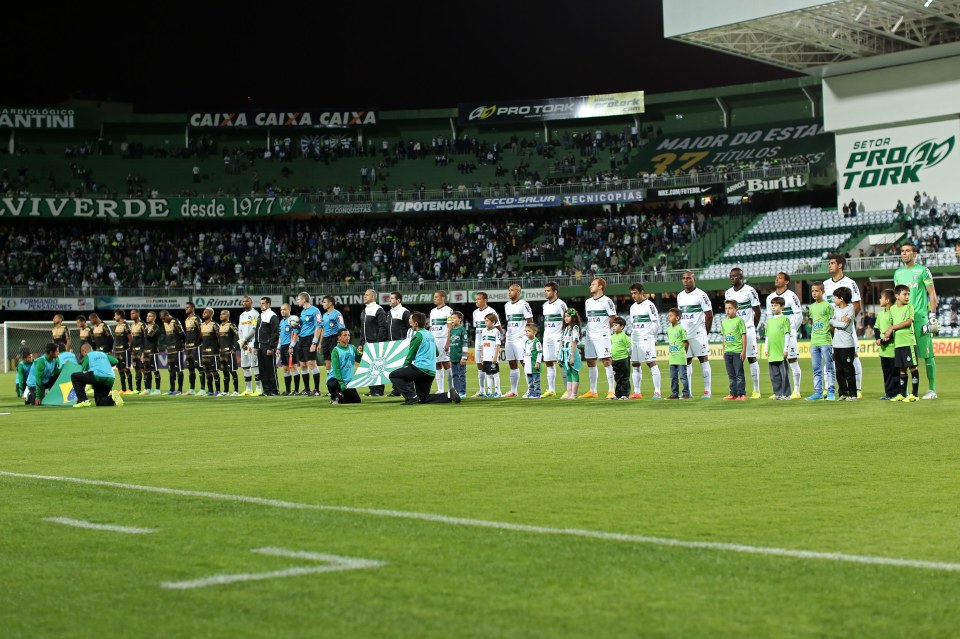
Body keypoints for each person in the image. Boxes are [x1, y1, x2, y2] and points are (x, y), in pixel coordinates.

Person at [893, 241, 938, 399]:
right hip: (904, 321)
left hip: (919, 319)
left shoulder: (923, 271)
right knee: (904, 357)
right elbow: (897, 298)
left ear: (915, 254)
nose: (903, 253)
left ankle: (932, 389)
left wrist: (932, 316)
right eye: (902, 251)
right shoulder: (897, 273)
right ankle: (904, 391)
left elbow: (932, 294)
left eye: (907, 251)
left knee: (927, 355)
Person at [388, 311, 460, 405]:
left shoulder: (418, 336)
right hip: (430, 371)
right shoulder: (429, 334)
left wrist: (405, 367)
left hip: (420, 369)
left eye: (411, 321)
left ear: (416, 323)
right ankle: (449, 395)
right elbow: (437, 353)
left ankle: (411, 396)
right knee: (423, 398)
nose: (410, 323)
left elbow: (410, 356)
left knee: (394, 375)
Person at [823, 255, 862, 398]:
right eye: (829, 263)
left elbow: (857, 306)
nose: (829, 265)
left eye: (832, 263)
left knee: (854, 357)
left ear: (840, 265)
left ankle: (857, 388)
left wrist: (846, 320)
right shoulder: (825, 284)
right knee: (830, 357)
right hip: (830, 328)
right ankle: (830, 388)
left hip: (846, 328)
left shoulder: (850, 283)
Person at [725, 268, 762, 398]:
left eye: (735, 276)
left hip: (748, 329)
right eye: (730, 276)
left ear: (741, 277)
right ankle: (735, 392)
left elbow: (757, 311)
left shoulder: (750, 291)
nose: (732, 278)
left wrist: (752, 326)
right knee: (735, 361)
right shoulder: (728, 293)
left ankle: (756, 390)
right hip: (734, 333)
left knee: (752, 358)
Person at [765, 273, 803, 399]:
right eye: (776, 277)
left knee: (792, 361)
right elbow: (769, 317)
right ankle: (778, 392)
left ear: (786, 282)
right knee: (776, 363)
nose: (777, 279)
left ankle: (796, 390)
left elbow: (799, 315)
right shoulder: (770, 297)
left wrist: (792, 331)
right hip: (775, 337)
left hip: (788, 334)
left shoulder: (792, 296)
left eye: (780, 278)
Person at [580, 277, 617, 399]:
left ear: (600, 286)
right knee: (590, 361)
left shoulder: (607, 301)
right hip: (590, 335)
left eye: (593, 284)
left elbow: (613, 318)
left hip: (603, 335)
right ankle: (593, 391)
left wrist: (610, 331)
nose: (590, 286)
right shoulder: (588, 302)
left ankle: (611, 390)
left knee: (606, 360)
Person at [677, 271, 713, 399]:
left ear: (694, 279)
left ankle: (707, 390)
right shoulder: (680, 296)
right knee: (687, 362)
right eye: (684, 278)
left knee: (703, 359)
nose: (686, 280)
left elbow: (709, 315)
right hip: (685, 335)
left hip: (698, 334)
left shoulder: (701, 295)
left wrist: (705, 333)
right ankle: (688, 392)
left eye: (689, 278)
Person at [886, 284, 920, 402]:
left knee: (912, 367)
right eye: (905, 294)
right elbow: (891, 325)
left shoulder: (909, 306)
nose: (907, 297)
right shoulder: (893, 309)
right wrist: (886, 334)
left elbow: (908, 322)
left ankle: (914, 394)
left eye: (908, 294)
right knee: (902, 369)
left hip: (908, 342)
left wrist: (892, 328)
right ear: (897, 296)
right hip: (898, 343)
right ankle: (902, 394)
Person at [627, 282, 662, 400]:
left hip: (646, 338)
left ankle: (657, 391)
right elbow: (633, 324)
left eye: (635, 293)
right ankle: (637, 392)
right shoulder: (632, 307)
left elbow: (655, 323)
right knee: (635, 364)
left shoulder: (649, 305)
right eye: (632, 294)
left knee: (651, 362)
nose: (633, 296)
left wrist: (653, 337)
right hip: (635, 339)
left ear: (642, 292)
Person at [502, 283, 535, 398]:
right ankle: (513, 391)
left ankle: (531, 389)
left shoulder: (524, 304)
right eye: (509, 290)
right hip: (510, 339)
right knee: (512, 363)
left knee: (524, 362)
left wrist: (527, 336)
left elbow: (530, 321)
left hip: (521, 338)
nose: (509, 292)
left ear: (518, 292)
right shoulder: (506, 305)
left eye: (512, 290)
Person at [806, 283, 836, 401]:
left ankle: (831, 392)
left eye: (817, 291)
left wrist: (830, 335)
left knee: (829, 367)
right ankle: (818, 392)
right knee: (816, 369)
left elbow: (832, 323)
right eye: (813, 291)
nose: (814, 293)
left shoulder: (827, 306)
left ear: (822, 292)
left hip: (825, 341)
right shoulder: (812, 307)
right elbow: (812, 322)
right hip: (814, 342)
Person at [71, 343, 124, 408]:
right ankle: (113, 398)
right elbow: (115, 361)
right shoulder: (103, 354)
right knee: (99, 402)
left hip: (98, 376)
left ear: (84, 351)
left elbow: (83, 371)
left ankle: (84, 401)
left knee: (74, 376)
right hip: (110, 378)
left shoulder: (87, 356)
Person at [829, 287, 857, 401]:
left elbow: (844, 325)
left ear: (841, 299)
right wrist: (839, 320)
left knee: (848, 369)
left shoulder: (850, 309)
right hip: (836, 344)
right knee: (839, 370)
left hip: (847, 344)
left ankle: (853, 394)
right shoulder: (835, 308)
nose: (834, 299)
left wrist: (835, 321)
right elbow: (830, 321)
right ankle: (842, 393)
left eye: (835, 297)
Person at [540, 282, 568, 398]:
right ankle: (551, 389)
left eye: (548, 291)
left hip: (558, 337)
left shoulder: (561, 304)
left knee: (562, 363)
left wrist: (565, 337)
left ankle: (568, 390)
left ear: (555, 292)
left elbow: (567, 320)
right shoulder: (545, 305)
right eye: (545, 291)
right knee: (548, 362)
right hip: (547, 337)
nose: (546, 293)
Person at [472, 292, 501, 397]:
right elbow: (477, 328)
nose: (476, 301)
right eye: (476, 299)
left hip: (490, 344)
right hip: (480, 342)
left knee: (492, 370)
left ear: (485, 300)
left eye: (479, 299)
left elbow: (498, 327)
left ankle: (496, 391)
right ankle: (482, 390)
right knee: (480, 365)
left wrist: (498, 339)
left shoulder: (491, 312)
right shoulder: (475, 312)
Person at [360, 289, 388, 397]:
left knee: (378, 366)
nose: (364, 296)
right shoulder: (364, 310)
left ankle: (379, 390)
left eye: (367, 295)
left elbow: (382, 327)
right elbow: (363, 328)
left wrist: (378, 342)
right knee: (368, 367)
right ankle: (372, 389)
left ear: (373, 297)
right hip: (366, 343)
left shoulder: (379, 310)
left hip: (375, 343)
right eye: (364, 294)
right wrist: (361, 342)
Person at [765, 297, 793, 400]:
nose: (773, 307)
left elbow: (787, 335)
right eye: (772, 305)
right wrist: (766, 349)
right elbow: (767, 336)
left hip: (780, 351)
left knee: (784, 374)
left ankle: (786, 394)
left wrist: (785, 349)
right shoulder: (769, 321)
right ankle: (778, 393)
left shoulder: (785, 319)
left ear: (782, 307)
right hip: (772, 352)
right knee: (774, 375)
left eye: (776, 305)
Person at [297, 291, 323, 396]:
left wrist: (314, 342)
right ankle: (307, 390)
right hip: (301, 339)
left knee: (312, 364)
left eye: (298, 299)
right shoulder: (302, 312)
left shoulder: (315, 311)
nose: (297, 301)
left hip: (310, 339)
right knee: (303, 365)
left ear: (304, 300)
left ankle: (317, 390)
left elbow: (319, 326)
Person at [875, 289, 899, 400]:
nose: (879, 299)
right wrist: (877, 339)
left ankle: (897, 393)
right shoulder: (880, 314)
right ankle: (889, 394)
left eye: (881, 297)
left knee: (895, 374)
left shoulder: (895, 313)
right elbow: (876, 327)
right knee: (886, 373)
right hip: (883, 351)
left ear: (887, 300)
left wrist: (883, 341)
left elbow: (893, 331)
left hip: (892, 349)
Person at [328, 328, 362, 405]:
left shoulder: (352, 348)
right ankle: (334, 396)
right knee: (331, 384)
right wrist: (341, 382)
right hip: (337, 379)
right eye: (345, 335)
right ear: (339, 337)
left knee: (356, 400)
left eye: (349, 335)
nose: (347, 337)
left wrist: (361, 354)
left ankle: (339, 398)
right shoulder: (335, 351)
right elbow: (336, 369)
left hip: (348, 382)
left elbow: (360, 360)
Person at [720, 300, 747, 401]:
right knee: (731, 375)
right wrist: (724, 351)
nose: (728, 310)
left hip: (737, 351)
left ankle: (741, 394)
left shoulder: (739, 321)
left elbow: (743, 335)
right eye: (726, 308)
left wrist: (743, 351)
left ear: (736, 309)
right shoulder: (724, 321)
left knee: (739, 374)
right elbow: (723, 336)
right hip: (728, 352)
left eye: (730, 308)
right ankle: (733, 394)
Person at [429, 290, 454, 393]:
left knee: (446, 363)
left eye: (436, 297)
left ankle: (451, 388)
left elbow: (450, 327)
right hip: (434, 341)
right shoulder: (432, 311)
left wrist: (448, 341)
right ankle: (440, 389)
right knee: (436, 364)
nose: (434, 298)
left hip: (443, 340)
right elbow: (431, 327)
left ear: (443, 298)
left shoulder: (448, 310)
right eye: (434, 297)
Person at [388, 292, 412, 397]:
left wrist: (408, 342)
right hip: (391, 344)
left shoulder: (404, 312)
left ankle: (409, 388)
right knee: (394, 368)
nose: (390, 300)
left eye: (392, 298)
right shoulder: (389, 312)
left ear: (398, 301)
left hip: (402, 344)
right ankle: (397, 389)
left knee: (405, 368)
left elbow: (410, 327)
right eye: (390, 298)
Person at [238, 295, 262, 396]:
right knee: (245, 366)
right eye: (243, 301)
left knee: (255, 366)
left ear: (251, 302)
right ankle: (248, 389)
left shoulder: (255, 314)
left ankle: (258, 389)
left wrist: (244, 339)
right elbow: (240, 330)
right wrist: (242, 341)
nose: (244, 303)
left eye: (246, 301)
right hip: (244, 345)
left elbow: (254, 329)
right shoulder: (242, 315)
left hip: (252, 344)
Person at [320, 295, 346, 382]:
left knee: (335, 363)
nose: (322, 304)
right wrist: (320, 343)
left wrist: (340, 341)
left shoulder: (337, 314)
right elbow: (323, 330)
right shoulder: (324, 315)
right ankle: (330, 384)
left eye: (324, 302)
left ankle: (339, 384)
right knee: (327, 364)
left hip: (334, 339)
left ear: (330, 303)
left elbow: (341, 328)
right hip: (325, 340)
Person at [160, 310, 186, 395]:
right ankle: (171, 389)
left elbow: (182, 334)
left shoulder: (175, 321)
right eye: (162, 319)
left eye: (164, 318)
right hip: (169, 349)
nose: (163, 320)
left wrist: (182, 344)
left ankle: (179, 390)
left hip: (177, 349)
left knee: (179, 369)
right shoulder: (165, 323)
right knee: (171, 370)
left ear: (168, 315)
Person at [257, 297, 280, 396]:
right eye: (261, 303)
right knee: (262, 369)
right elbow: (257, 332)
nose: (262, 305)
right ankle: (266, 390)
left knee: (270, 369)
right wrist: (255, 345)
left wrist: (271, 347)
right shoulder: (260, 316)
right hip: (260, 346)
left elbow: (275, 333)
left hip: (267, 346)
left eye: (264, 303)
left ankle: (274, 390)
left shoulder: (272, 315)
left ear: (269, 304)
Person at [666, 308, 690, 400]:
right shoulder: (668, 330)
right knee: (673, 377)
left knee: (683, 377)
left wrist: (683, 352)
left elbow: (686, 342)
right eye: (668, 316)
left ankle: (685, 394)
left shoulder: (681, 328)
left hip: (680, 357)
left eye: (671, 316)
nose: (669, 317)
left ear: (677, 318)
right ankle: (674, 393)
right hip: (672, 358)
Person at [182, 302, 205, 395]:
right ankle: (191, 389)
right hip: (188, 347)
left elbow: (201, 330)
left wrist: (198, 341)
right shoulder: (187, 319)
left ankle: (202, 389)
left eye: (187, 307)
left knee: (200, 367)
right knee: (190, 368)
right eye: (185, 307)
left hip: (196, 347)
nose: (185, 309)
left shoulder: (197, 318)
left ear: (192, 308)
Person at [278, 303, 300, 395]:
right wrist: (278, 347)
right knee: (285, 369)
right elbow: (280, 335)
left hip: (290, 345)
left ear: (289, 310)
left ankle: (296, 390)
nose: (282, 311)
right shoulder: (281, 322)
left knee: (294, 368)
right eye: (281, 310)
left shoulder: (293, 319)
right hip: (283, 346)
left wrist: (292, 346)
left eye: (284, 309)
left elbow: (296, 333)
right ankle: (287, 391)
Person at [560, 308, 582, 399]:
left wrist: (572, 355)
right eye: (565, 316)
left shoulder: (575, 328)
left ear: (573, 317)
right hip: (564, 352)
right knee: (568, 372)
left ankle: (574, 394)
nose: (566, 318)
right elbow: (561, 341)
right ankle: (569, 393)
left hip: (571, 352)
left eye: (568, 316)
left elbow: (574, 342)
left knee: (574, 371)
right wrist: (559, 354)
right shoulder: (565, 328)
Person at [199, 307, 221, 396]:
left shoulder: (215, 324)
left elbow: (219, 337)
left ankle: (218, 390)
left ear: (211, 314)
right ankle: (210, 391)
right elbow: (200, 338)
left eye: (206, 312)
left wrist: (219, 348)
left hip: (213, 352)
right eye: (203, 312)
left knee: (214, 371)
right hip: (204, 352)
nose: (204, 313)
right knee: (207, 372)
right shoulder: (201, 325)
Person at [478, 312, 501, 397]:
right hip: (486, 357)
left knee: (495, 374)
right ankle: (489, 392)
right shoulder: (484, 331)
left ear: (493, 321)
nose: (485, 322)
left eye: (487, 321)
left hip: (492, 357)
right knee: (488, 374)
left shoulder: (496, 331)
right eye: (485, 321)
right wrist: (482, 356)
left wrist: (495, 356)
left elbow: (498, 344)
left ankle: (498, 392)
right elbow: (482, 345)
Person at [218, 309, 240, 396]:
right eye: (220, 314)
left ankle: (236, 391)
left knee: (232, 371)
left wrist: (234, 347)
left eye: (223, 314)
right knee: (224, 372)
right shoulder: (220, 326)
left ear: (227, 315)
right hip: (222, 352)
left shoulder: (231, 325)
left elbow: (238, 335)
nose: (221, 315)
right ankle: (226, 391)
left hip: (229, 352)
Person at [111, 309, 133, 394]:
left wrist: (129, 348)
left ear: (119, 316)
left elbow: (130, 338)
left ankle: (130, 389)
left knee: (126, 369)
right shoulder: (117, 326)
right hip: (117, 351)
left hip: (124, 350)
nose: (114, 317)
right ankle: (123, 389)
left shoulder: (126, 325)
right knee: (120, 369)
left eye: (115, 315)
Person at [141, 311, 163, 395]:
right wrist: (142, 353)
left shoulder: (156, 327)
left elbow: (149, 336)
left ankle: (157, 390)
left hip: (153, 352)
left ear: (154, 318)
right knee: (147, 371)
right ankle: (148, 389)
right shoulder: (147, 327)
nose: (147, 317)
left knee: (155, 370)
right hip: (145, 352)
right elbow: (144, 341)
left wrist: (145, 330)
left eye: (150, 316)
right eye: (147, 316)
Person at [610, 317, 630, 400]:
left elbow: (629, 346)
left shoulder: (624, 336)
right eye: (613, 325)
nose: (613, 327)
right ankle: (618, 395)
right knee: (617, 378)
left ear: (621, 327)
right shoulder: (613, 336)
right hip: (615, 360)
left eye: (616, 325)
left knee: (624, 378)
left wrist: (628, 356)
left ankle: (625, 395)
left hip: (623, 359)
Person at [448, 312, 468, 397]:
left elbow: (465, 343)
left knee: (461, 375)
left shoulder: (462, 330)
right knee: (455, 375)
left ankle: (462, 392)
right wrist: (449, 357)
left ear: (460, 319)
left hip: (460, 357)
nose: (452, 320)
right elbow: (450, 343)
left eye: (454, 318)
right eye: (451, 318)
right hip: (453, 357)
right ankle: (456, 391)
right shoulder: (451, 330)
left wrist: (464, 357)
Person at [522, 324, 543, 399]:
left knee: (535, 380)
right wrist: (524, 362)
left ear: (534, 332)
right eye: (526, 331)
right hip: (528, 365)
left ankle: (537, 393)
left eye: (529, 331)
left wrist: (537, 362)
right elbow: (525, 352)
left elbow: (540, 352)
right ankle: (530, 392)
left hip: (534, 365)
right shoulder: (526, 342)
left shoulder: (536, 342)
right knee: (530, 380)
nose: (527, 333)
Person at [128, 309, 146, 393]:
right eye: (131, 313)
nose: (131, 315)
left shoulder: (142, 324)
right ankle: (138, 389)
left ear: (138, 313)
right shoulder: (132, 325)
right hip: (134, 351)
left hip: (141, 350)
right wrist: (130, 349)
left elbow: (146, 339)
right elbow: (132, 340)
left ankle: (146, 389)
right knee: (136, 369)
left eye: (133, 313)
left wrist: (143, 351)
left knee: (143, 369)